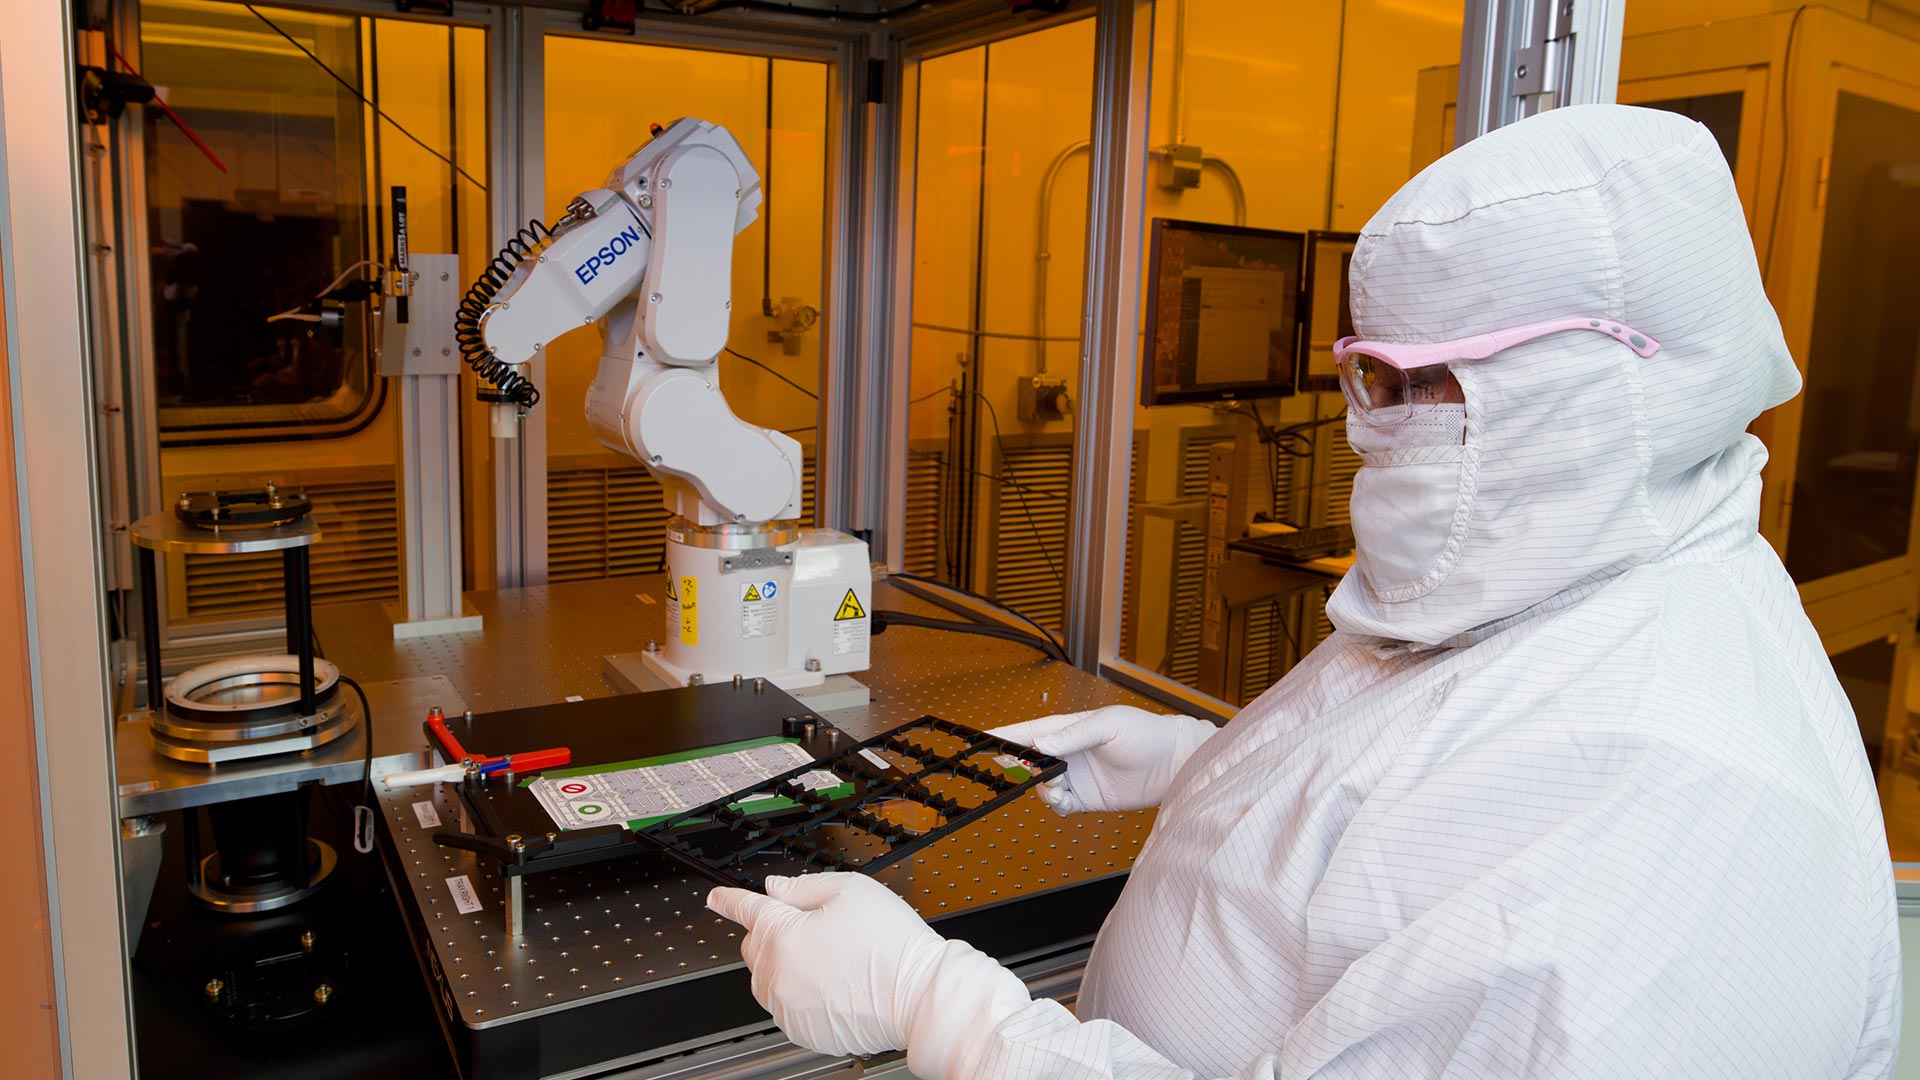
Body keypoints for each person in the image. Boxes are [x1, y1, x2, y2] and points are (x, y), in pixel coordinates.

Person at [707, 104, 1902, 1078]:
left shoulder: (1687, 807)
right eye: (1363, 376)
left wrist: (942, 1008)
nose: (1372, 429)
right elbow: (1431, 795)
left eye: (1417, 383)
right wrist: (1204, 764)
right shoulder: (1556, 583)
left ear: (1597, 380)